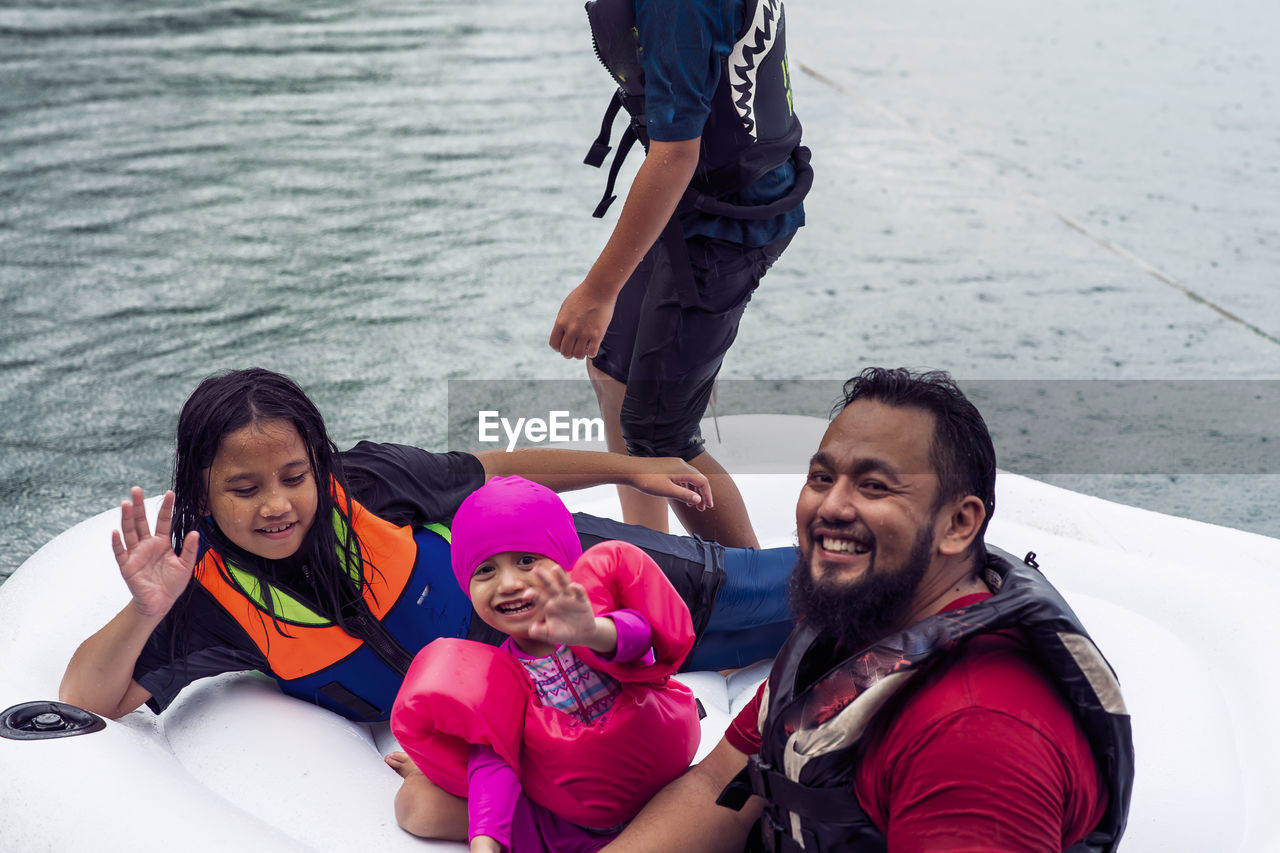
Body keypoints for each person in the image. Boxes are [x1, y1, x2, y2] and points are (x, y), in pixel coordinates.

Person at [58, 368, 795, 724]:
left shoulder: (369, 482)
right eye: (245, 490)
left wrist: (631, 468)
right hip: (541, 690)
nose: (278, 504)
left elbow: (493, 469)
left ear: (319, 462)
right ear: (205, 493)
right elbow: (86, 700)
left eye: (293, 475)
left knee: (785, 595)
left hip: (580, 584)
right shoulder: (211, 595)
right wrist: (146, 609)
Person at [600, 367, 1135, 853]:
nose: (831, 506)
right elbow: (718, 786)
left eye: (874, 486)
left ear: (959, 524)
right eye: (822, 478)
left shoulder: (977, 737)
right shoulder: (857, 625)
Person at [548, 0, 812, 549]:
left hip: (727, 222)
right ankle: (649, 559)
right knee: (613, 372)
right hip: (693, 203)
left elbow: (675, 155)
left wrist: (597, 291)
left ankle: (753, 592)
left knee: (659, 432)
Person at [387, 476, 701, 852]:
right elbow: (495, 762)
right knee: (416, 809)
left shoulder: (595, 616)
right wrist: (486, 842)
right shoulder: (498, 674)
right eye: (485, 570)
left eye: (526, 561)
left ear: (564, 563)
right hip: (572, 823)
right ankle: (426, 772)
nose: (508, 583)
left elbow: (641, 642)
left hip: (668, 787)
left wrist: (592, 631)